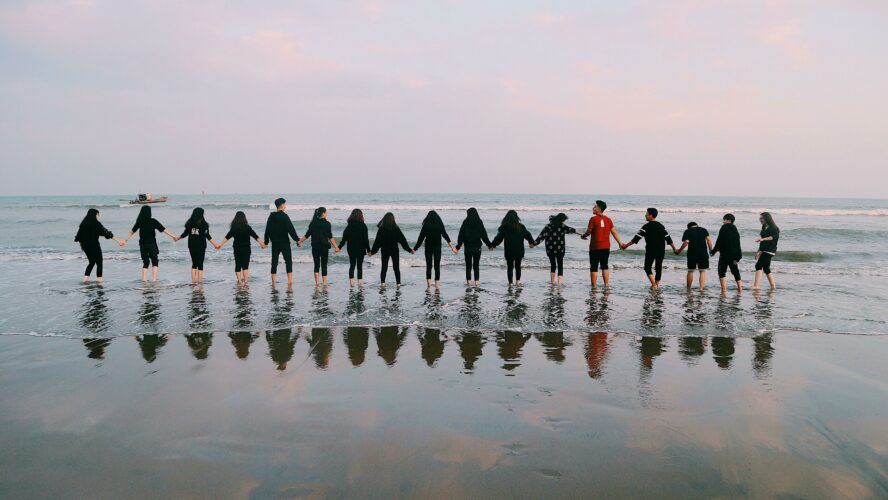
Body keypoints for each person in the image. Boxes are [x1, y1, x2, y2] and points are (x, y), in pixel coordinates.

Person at [621, 208, 677, 289]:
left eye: (646, 214)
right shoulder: (661, 226)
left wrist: (626, 245)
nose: (645, 215)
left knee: (647, 267)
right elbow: (668, 239)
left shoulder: (646, 226)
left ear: (651, 215)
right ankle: (657, 285)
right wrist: (675, 249)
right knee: (658, 267)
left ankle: (654, 284)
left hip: (651, 249)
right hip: (661, 250)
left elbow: (636, 238)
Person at [122, 205, 176, 281]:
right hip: (151, 244)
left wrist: (125, 240)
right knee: (155, 261)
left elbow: (132, 232)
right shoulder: (153, 221)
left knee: (146, 262)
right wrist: (172, 236)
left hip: (142, 244)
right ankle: (154, 281)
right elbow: (163, 229)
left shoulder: (139, 222)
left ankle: (144, 281)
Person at [580, 200, 624, 288]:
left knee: (594, 267)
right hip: (606, 247)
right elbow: (614, 232)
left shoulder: (593, 219)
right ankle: (606, 285)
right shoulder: (608, 219)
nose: (593, 208)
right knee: (605, 266)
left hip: (595, 247)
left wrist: (583, 236)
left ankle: (594, 286)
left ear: (599, 209)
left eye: (595, 206)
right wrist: (620, 243)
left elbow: (589, 231)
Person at [74, 208, 125, 283]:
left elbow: (78, 237)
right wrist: (119, 241)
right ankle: (99, 282)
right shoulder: (97, 224)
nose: (98, 216)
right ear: (95, 215)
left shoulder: (83, 224)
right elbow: (107, 233)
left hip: (85, 247)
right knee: (99, 262)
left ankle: (85, 280)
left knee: (91, 262)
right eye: (98, 214)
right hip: (95, 246)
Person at [217, 211, 266, 285]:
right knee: (245, 266)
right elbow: (255, 236)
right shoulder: (247, 227)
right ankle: (245, 282)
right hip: (246, 248)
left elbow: (227, 237)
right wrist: (262, 244)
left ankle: (239, 282)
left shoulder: (234, 228)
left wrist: (220, 244)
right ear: (244, 218)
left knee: (238, 265)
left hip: (237, 249)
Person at [174, 207, 220, 284]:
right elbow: (207, 236)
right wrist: (215, 244)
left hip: (191, 245)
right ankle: (200, 282)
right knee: (200, 264)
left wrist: (178, 238)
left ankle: (193, 282)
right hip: (201, 245)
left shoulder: (189, 223)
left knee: (194, 263)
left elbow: (185, 234)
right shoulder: (204, 224)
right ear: (201, 214)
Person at [490, 210, 536, 286]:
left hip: (509, 250)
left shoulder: (504, 227)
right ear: (516, 217)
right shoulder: (521, 226)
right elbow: (528, 235)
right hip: (519, 250)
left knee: (510, 267)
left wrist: (493, 245)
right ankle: (517, 282)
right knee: (518, 266)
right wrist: (531, 243)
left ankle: (510, 283)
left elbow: (499, 238)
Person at [413, 210, 457, 289]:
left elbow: (421, 238)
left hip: (428, 248)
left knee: (428, 266)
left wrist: (415, 249)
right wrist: (452, 247)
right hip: (437, 248)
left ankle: (429, 286)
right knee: (437, 266)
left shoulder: (426, 225)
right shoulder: (439, 224)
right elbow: (445, 235)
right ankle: (437, 285)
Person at [370, 212, 414, 287]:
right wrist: (409, 250)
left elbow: (377, 242)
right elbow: (403, 241)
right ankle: (398, 284)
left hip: (385, 250)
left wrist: (372, 252)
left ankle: (383, 284)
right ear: (393, 219)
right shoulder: (396, 229)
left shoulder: (381, 229)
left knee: (384, 267)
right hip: (394, 250)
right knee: (396, 268)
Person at [298, 207, 340, 287]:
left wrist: (299, 241)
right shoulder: (327, 224)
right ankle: (324, 284)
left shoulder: (313, 223)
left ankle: (317, 284)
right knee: (324, 265)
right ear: (323, 213)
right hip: (324, 247)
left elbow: (307, 236)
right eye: (326, 212)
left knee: (316, 265)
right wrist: (336, 247)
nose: (327, 214)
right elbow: (330, 237)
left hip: (315, 247)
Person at [264, 198, 301, 287]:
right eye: (284, 204)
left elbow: (267, 230)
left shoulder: (271, 216)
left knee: (274, 262)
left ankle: (273, 282)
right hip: (284, 243)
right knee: (288, 261)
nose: (285, 206)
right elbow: (291, 229)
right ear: (281, 205)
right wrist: (297, 240)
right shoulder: (285, 216)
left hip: (275, 243)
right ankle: (289, 282)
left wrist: (266, 242)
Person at [534, 213, 577, 286]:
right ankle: (560, 283)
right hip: (560, 249)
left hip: (550, 249)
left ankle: (552, 282)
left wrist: (534, 243)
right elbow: (572, 230)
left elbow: (541, 236)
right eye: (563, 220)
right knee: (560, 265)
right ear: (561, 220)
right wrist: (582, 235)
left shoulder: (548, 226)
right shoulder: (562, 226)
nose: (564, 222)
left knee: (553, 265)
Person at [455, 208, 492, 286]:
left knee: (468, 266)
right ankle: (476, 283)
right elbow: (484, 235)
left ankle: (468, 283)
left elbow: (461, 235)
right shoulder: (479, 222)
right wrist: (489, 245)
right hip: (477, 247)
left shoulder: (465, 222)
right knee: (476, 266)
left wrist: (458, 247)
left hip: (468, 247)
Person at [338, 209, 371, 287]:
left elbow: (344, 238)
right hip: (361, 248)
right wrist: (369, 250)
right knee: (359, 266)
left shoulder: (349, 226)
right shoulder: (363, 226)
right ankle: (360, 284)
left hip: (351, 248)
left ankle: (352, 284)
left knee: (352, 265)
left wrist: (339, 247)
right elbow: (366, 240)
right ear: (361, 216)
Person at [675, 222, 713, 291]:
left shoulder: (688, 231)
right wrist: (710, 250)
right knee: (702, 271)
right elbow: (709, 239)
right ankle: (701, 289)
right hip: (703, 253)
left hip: (692, 253)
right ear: (697, 225)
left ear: (689, 227)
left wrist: (679, 250)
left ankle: (689, 289)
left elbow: (686, 241)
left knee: (690, 271)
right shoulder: (704, 230)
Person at [711, 213, 743, 293]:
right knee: (735, 271)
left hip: (725, 254)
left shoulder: (724, 227)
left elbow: (719, 240)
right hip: (734, 255)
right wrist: (739, 256)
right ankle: (740, 288)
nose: (723, 221)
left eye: (724, 219)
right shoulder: (735, 229)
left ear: (728, 220)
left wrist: (713, 251)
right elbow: (738, 243)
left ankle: (724, 290)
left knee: (721, 271)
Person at [753, 212, 780, 290]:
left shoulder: (773, 228)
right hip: (764, 250)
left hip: (770, 250)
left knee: (758, 265)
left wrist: (763, 239)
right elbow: (762, 242)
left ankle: (756, 286)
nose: (760, 220)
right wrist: (758, 251)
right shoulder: (764, 227)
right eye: (760, 218)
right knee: (766, 268)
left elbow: (773, 237)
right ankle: (773, 286)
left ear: (766, 218)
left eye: (762, 218)